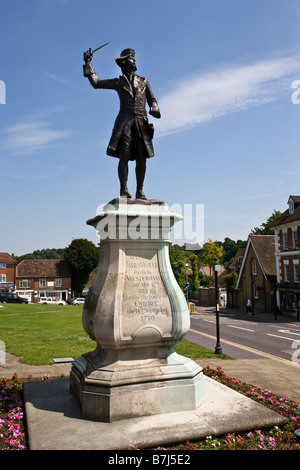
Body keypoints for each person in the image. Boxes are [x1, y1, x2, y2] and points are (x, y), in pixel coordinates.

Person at [83, 48, 161, 200]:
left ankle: (140, 191)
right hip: (125, 122)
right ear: (125, 62)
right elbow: (96, 83)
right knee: (123, 156)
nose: (134, 61)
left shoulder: (143, 81)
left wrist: (154, 107)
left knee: (141, 158)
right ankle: (124, 190)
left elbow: (152, 98)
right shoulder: (119, 82)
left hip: (141, 122)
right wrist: (88, 63)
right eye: (132, 58)